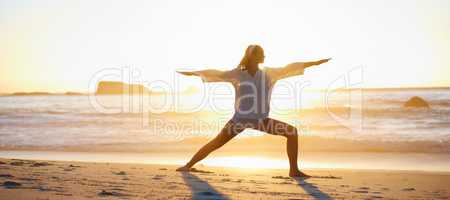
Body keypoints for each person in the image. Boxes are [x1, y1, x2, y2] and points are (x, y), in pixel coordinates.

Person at [176, 44, 330, 177]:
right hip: (239, 120)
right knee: (217, 142)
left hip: (260, 120)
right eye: (261, 53)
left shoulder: (269, 73)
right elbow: (215, 73)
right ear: (252, 56)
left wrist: (314, 63)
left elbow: (291, 67)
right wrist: (194, 73)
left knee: (292, 132)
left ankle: (294, 170)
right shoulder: (237, 74)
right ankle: (188, 165)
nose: (264, 55)